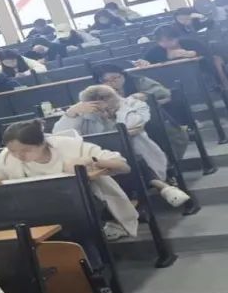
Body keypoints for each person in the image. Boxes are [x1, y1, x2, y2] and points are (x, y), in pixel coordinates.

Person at [0, 120, 139, 239]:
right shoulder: (8, 156)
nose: (19, 156)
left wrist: (91, 161)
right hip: (35, 210)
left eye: (26, 150)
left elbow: (123, 166)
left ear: (42, 143)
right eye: (13, 151)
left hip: (79, 206)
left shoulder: (68, 146)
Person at [53, 85, 190, 208]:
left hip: (137, 154)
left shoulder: (133, 104)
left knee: (126, 158)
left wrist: (119, 110)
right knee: (112, 163)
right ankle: (160, 187)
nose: (104, 112)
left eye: (107, 106)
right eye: (99, 109)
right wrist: (72, 113)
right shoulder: (83, 114)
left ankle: (133, 203)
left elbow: (132, 125)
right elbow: (61, 136)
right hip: (101, 161)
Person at [95, 63, 188, 156]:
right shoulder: (100, 93)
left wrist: (145, 94)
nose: (111, 83)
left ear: (123, 75)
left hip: (157, 126)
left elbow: (163, 92)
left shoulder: (139, 81)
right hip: (128, 130)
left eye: (115, 78)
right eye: (105, 81)